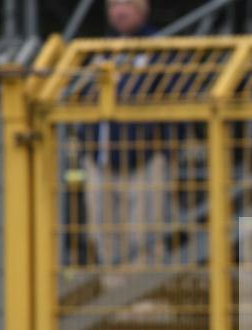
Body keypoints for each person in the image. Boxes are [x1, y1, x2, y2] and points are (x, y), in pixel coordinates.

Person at [82, 0, 167, 272]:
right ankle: (115, 305)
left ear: (142, 10)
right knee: (103, 233)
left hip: (145, 160)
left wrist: (166, 148)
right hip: (100, 160)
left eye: (126, 5)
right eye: (114, 5)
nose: (119, 11)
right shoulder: (100, 50)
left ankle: (145, 303)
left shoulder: (158, 49)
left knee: (144, 237)